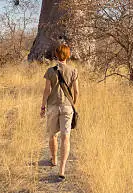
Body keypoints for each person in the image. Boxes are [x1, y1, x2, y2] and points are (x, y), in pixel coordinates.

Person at [40, 44, 79, 180]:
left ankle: (54, 159)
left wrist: (42, 107)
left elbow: (47, 91)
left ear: (56, 55)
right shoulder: (73, 70)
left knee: (52, 135)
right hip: (68, 107)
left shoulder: (50, 71)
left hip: (52, 106)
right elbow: (76, 92)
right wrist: (73, 105)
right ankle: (62, 169)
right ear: (68, 55)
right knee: (66, 137)